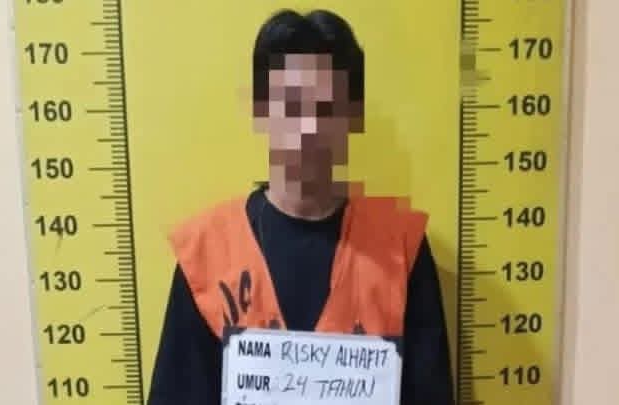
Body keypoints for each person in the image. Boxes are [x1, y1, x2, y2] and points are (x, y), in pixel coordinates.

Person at [146, 8, 453, 405]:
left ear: (352, 115)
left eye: (325, 109)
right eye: (292, 106)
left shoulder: (400, 249)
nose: (308, 129)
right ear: (261, 110)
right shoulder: (206, 254)